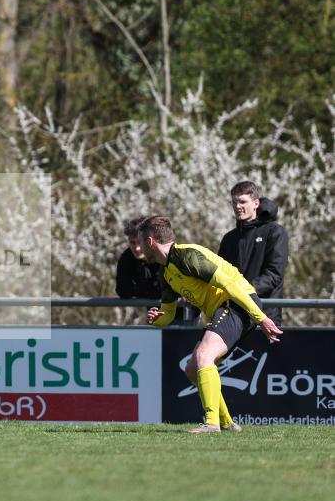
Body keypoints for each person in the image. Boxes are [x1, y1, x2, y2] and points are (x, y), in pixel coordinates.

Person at [137, 216, 283, 433]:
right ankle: (226, 423)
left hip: (237, 302)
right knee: (193, 369)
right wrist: (157, 319)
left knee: (203, 356)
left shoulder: (186, 256)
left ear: (150, 241)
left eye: (140, 242)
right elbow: (167, 313)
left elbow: (228, 284)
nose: (138, 247)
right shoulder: (166, 272)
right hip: (225, 308)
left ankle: (211, 423)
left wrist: (261, 317)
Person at [218, 181, 289, 326]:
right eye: (234, 202)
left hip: (265, 317)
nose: (238, 206)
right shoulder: (229, 238)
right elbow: (219, 275)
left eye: (243, 202)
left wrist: (241, 291)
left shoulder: (275, 232)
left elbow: (274, 275)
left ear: (256, 203)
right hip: (232, 317)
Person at [115, 216, 162, 300]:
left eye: (140, 242)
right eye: (132, 242)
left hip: (184, 309)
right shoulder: (127, 257)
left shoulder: (163, 255)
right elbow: (122, 291)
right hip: (156, 310)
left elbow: (164, 290)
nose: (137, 248)